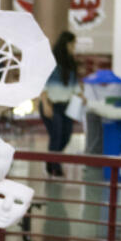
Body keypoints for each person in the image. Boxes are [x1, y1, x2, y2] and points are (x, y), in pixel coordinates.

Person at [38, 30, 82, 176]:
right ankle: (55, 166)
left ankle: (51, 160)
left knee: (66, 135)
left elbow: (74, 85)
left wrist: (82, 96)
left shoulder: (71, 63)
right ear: (67, 44)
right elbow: (42, 85)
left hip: (67, 106)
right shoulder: (50, 62)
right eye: (73, 44)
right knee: (56, 135)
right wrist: (45, 104)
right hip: (52, 104)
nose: (74, 48)